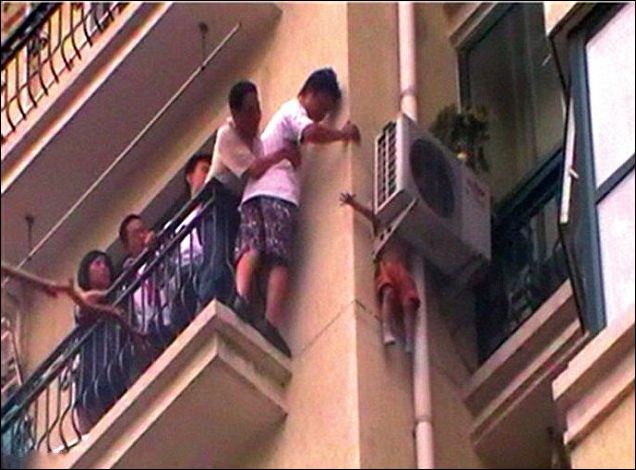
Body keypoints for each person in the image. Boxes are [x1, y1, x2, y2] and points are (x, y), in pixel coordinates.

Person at [234, 68, 361, 356]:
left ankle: (241, 297)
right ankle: (270, 323)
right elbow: (311, 133)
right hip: (278, 194)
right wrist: (343, 134)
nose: (321, 116)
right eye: (323, 107)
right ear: (312, 92)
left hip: (252, 196)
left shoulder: (279, 121)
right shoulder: (293, 111)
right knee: (279, 258)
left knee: (251, 247)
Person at [198, 80, 300, 332]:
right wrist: (283, 154)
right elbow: (255, 170)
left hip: (236, 203)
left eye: (258, 108)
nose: (256, 116)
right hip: (215, 203)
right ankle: (210, 306)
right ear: (236, 114)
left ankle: (244, 305)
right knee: (219, 259)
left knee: (244, 252)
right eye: (250, 111)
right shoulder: (227, 135)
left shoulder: (255, 141)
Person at [339, 192, 419, 353]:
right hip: (387, 265)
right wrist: (353, 203)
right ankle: (386, 331)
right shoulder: (384, 223)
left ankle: (410, 340)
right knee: (388, 293)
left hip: (401, 268)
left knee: (409, 303)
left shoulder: (406, 229)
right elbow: (370, 215)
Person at [74, 250, 123, 433]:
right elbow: (84, 305)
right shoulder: (85, 302)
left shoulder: (119, 298)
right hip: (91, 382)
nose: (104, 268)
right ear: (86, 272)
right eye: (97, 264)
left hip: (116, 375)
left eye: (106, 265)